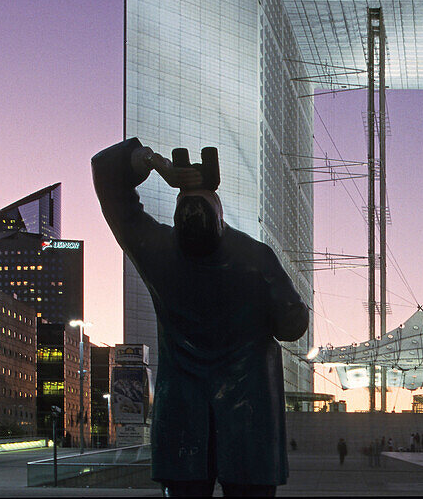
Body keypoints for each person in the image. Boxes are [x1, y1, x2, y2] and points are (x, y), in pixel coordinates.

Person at [92, 139, 309, 497]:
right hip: (249, 417)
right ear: (220, 214)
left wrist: (152, 162)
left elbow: (107, 177)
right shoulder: (255, 257)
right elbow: (292, 325)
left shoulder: (159, 250)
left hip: (182, 415)